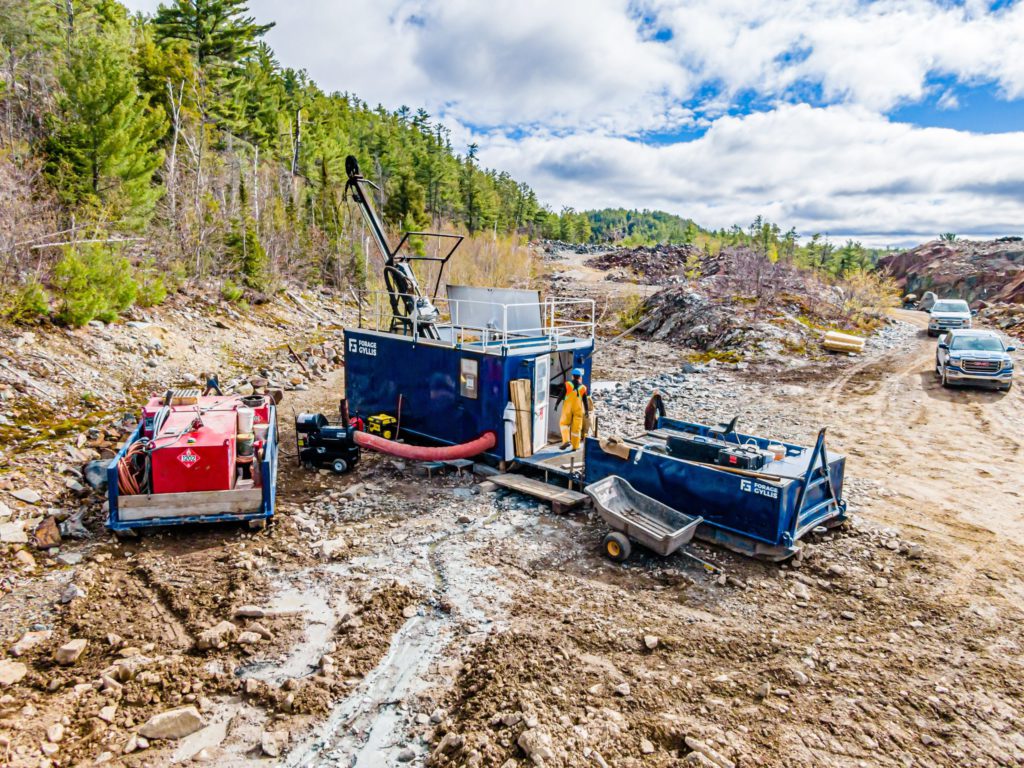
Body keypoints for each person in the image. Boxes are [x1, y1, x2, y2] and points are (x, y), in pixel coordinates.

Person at [559, 367, 589, 450]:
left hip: (567, 407)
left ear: (572, 376)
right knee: (577, 428)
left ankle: (566, 441)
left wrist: (556, 404)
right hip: (578, 409)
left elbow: (561, 395)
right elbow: (585, 400)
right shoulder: (583, 387)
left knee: (564, 424)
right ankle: (575, 446)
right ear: (580, 377)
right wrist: (586, 411)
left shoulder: (567, 384)